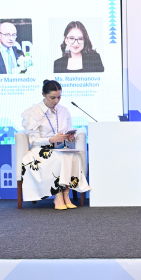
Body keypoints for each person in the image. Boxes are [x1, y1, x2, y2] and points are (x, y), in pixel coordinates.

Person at [19, 79, 90, 209]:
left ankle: (66, 195)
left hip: (60, 148)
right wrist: (51, 140)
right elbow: (33, 140)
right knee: (58, 157)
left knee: (73, 156)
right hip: (40, 150)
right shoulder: (33, 112)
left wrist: (69, 138)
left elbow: (67, 131)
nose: (56, 101)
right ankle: (58, 196)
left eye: (59, 97)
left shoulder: (64, 111)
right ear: (43, 94)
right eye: (52, 97)